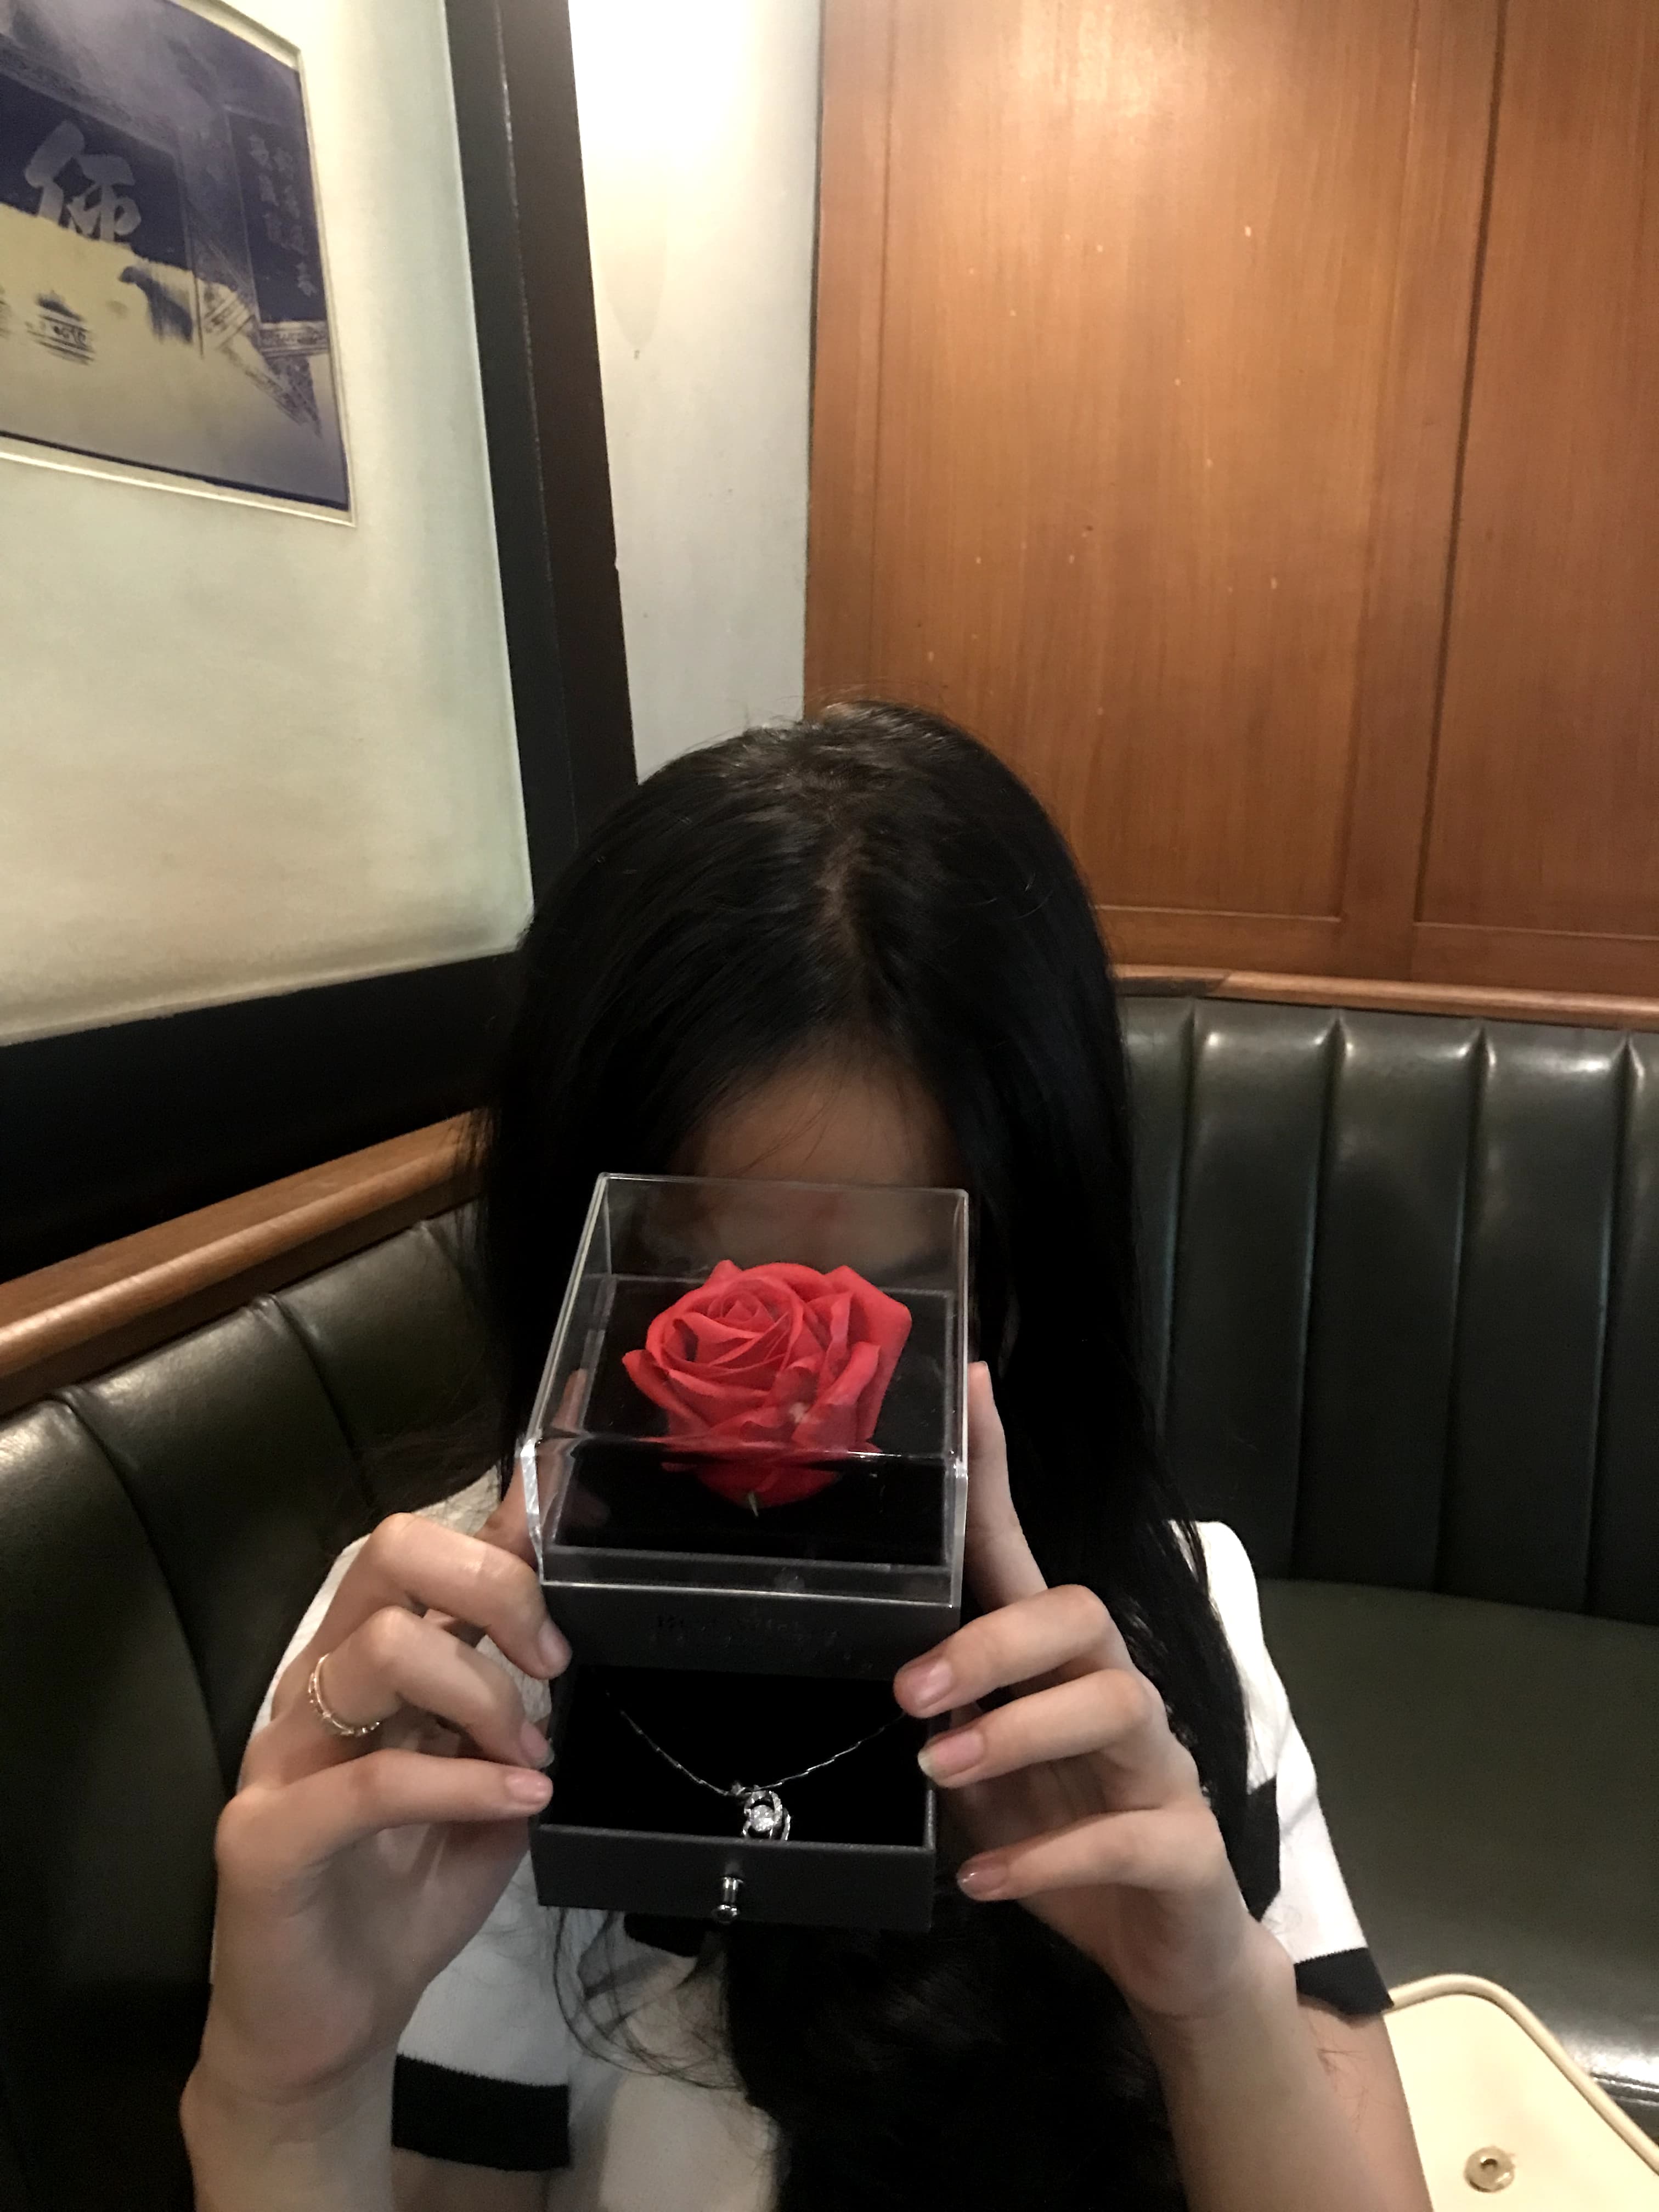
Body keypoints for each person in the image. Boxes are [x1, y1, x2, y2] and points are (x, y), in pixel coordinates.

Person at [182, 704, 1431, 2212]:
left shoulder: (1156, 1620)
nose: (794, 1418)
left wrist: (1213, 2002)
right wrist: (281, 2099)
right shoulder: (445, 1679)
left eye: (894, 1313)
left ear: (1023, 1288)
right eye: (699, 1291)